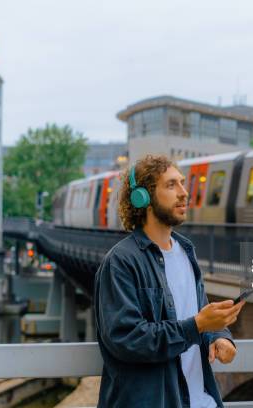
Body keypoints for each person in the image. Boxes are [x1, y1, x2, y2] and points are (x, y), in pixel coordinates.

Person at [94, 155, 244, 407]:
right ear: (143, 197)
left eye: (183, 183)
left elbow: (196, 314)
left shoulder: (187, 251)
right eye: (171, 185)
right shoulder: (121, 262)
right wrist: (197, 326)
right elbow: (127, 339)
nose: (184, 193)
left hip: (201, 401)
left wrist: (219, 335)